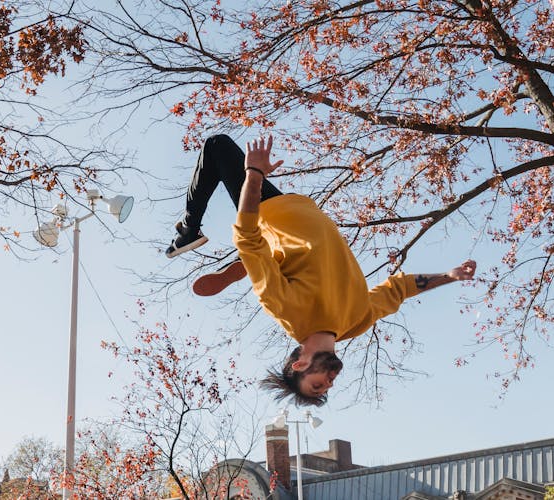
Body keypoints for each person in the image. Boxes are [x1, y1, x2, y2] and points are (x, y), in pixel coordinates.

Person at [166, 134, 477, 406]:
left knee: (217, 146)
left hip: (272, 215)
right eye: (327, 387)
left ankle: (189, 231)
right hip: (298, 211)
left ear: (300, 364)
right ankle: (251, 264)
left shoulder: (287, 309)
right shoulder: (355, 322)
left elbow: (247, 237)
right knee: (265, 255)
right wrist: (448, 277)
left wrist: (255, 175)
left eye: (317, 385)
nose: (329, 383)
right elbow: (399, 289)